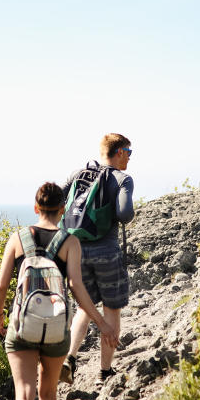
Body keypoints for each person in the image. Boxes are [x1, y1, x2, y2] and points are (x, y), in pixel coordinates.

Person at [0, 182, 119, 400]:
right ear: (63, 210)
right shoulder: (69, 242)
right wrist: (101, 322)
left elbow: (0, 287)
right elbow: (77, 286)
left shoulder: (18, 239)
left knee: (23, 396)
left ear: (36, 208)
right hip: (56, 329)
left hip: (22, 328)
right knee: (47, 393)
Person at [62, 133, 135, 385]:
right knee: (111, 309)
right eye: (129, 151)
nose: (130, 157)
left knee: (85, 306)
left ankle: (69, 359)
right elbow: (125, 214)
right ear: (119, 152)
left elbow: (61, 203)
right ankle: (105, 372)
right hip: (107, 252)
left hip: (77, 251)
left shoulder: (78, 174)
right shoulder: (122, 179)